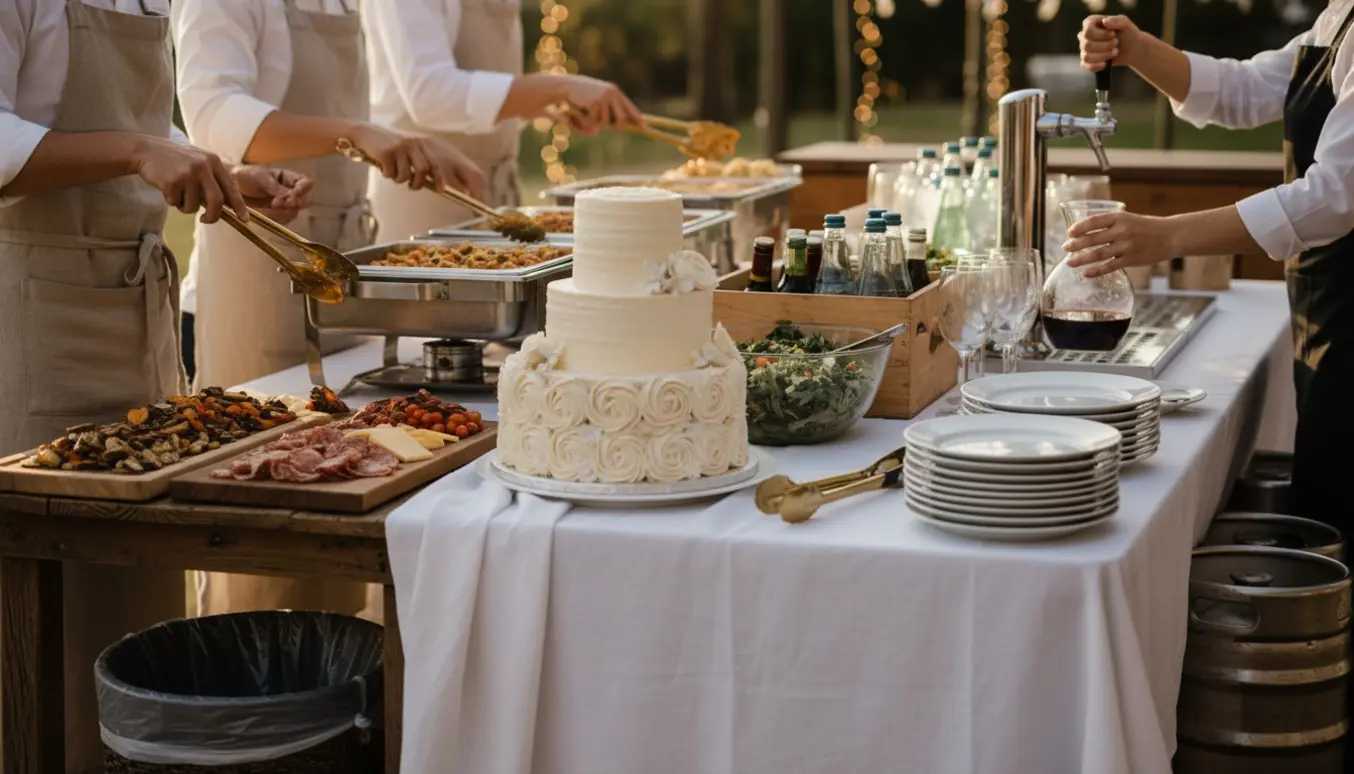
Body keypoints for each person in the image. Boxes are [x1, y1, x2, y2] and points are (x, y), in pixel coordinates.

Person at [0, 0, 311, 769]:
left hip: (136, 324)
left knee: (136, 612)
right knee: (43, 621)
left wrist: (213, 169)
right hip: (38, 324)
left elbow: (138, 127)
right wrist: (139, 149)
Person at [172, 0, 486, 621]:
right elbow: (210, 113)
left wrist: (387, 148)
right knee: (265, 531)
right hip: (253, 279)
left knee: (344, 489)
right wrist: (360, 134)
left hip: (335, 270)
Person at [1068, 8, 1354, 519]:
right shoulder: (1339, 16)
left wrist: (1167, 235)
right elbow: (1242, 91)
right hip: (1327, 309)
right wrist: (1137, 50)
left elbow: (1336, 197)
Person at [362, 0, 644, 241]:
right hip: (424, 199)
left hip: (496, 194)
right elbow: (429, 95)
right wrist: (560, 87)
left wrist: (537, 105)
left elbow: (482, 80)